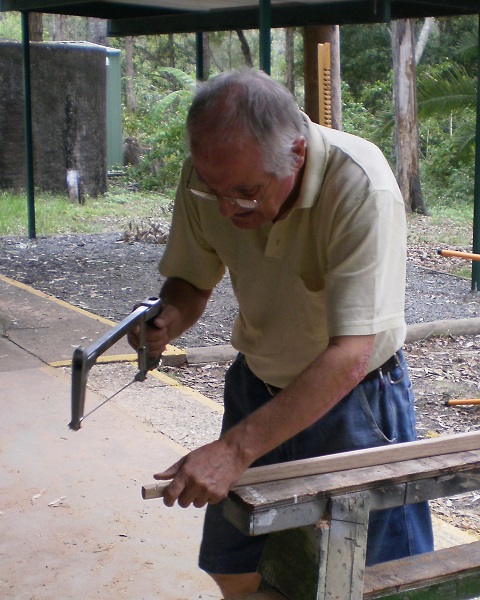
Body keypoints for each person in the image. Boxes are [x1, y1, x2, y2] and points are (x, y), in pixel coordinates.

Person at [129, 69, 433, 598]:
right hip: (258, 384)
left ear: (295, 153)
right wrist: (168, 319)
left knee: (377, 581)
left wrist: (233, 451)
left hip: (357, 399)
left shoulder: (360, 183)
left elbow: (350, 355)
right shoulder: (212, 175)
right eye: (213, 190)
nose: (225, 208)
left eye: (245, 193)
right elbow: (191, 281)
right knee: (235, 566)